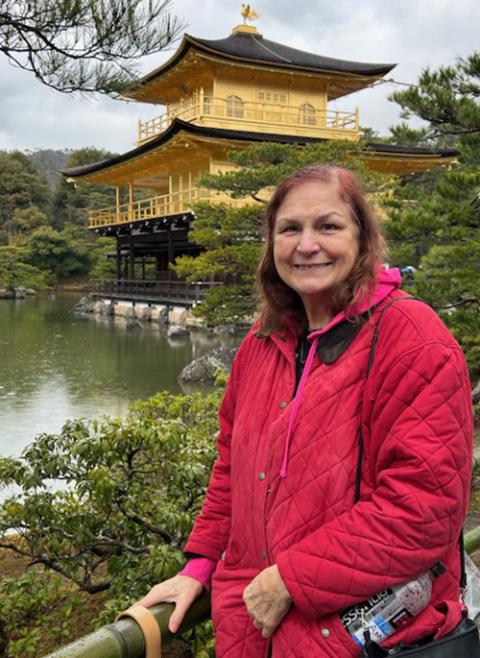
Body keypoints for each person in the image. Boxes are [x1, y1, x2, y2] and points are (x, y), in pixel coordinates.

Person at [138, 165, 473, 657]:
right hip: (254, 630)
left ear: (363, 238)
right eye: (290, 229)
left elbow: (425, 507)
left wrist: (291, 580)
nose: (306, 244)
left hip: (368, 638)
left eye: (328, 226)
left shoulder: (412, 338)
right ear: (271, 244)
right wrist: (201, 564)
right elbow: (232, 464)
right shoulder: (262, 341)